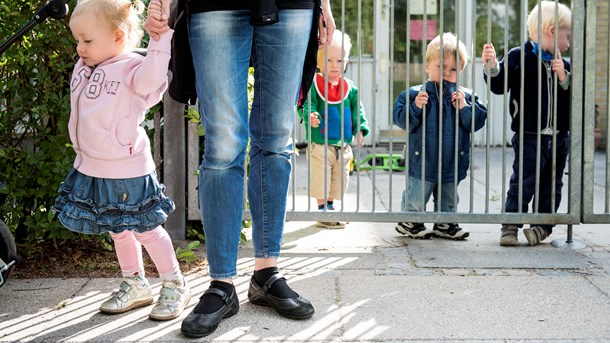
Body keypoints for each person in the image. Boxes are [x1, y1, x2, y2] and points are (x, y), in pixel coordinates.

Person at [145, 0, 336, 338]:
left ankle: (266, 272)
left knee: (276, 140)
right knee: (223, 146)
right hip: (215, 4)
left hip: (292, 4)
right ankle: (221, 284)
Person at [52, 0, 190, 321]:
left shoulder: (131, 70)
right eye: (77, 40)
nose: (79, 48)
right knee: (118, 230)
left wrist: (160, 40)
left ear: (116, 37)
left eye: (87, 41)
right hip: (94, 167)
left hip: (129, 170)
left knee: (146, 230)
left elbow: (153, 77)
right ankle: (135, 282)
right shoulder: (86, 67)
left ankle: (174, 283)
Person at [482, 1, 571, 246]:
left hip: (559, 136)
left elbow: (573, 100)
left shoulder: (563, 63)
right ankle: (510, 225)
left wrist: (563, 77)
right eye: (567, 36)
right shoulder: (517, 56)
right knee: (524, 179)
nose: (569, 43)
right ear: (552, 31)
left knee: (552, 183)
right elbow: (500, 86)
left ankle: (542, 227)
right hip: (530, 133)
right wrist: (492, 68)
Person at [393, 33, 487, 240]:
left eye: (453, 69)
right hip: (423, 157)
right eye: (441, 67)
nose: (446, 73)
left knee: (449, 194)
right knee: (417, 192)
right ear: (427, 66)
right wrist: (416, 107)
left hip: (453, 158)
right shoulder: (414, 94)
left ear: (460, 70)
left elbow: (477, 122)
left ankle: (445, 222)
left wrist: (464, 107)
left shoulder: (466, 96)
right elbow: (400, 119)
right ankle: (409, 220)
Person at [298, 29, 370, 229]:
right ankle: (323, 210)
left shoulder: (350, 88)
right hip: (321, 144)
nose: (335, 66)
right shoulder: (315, 84)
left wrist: (360, 128)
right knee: (321, 177)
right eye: (329, 60)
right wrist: (309, 115)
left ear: (346, 62)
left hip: (342, 146)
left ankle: (331, 206)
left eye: (339, 61)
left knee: (339, 179)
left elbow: (358, 111)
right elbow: (307, 104)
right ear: (319, 62)